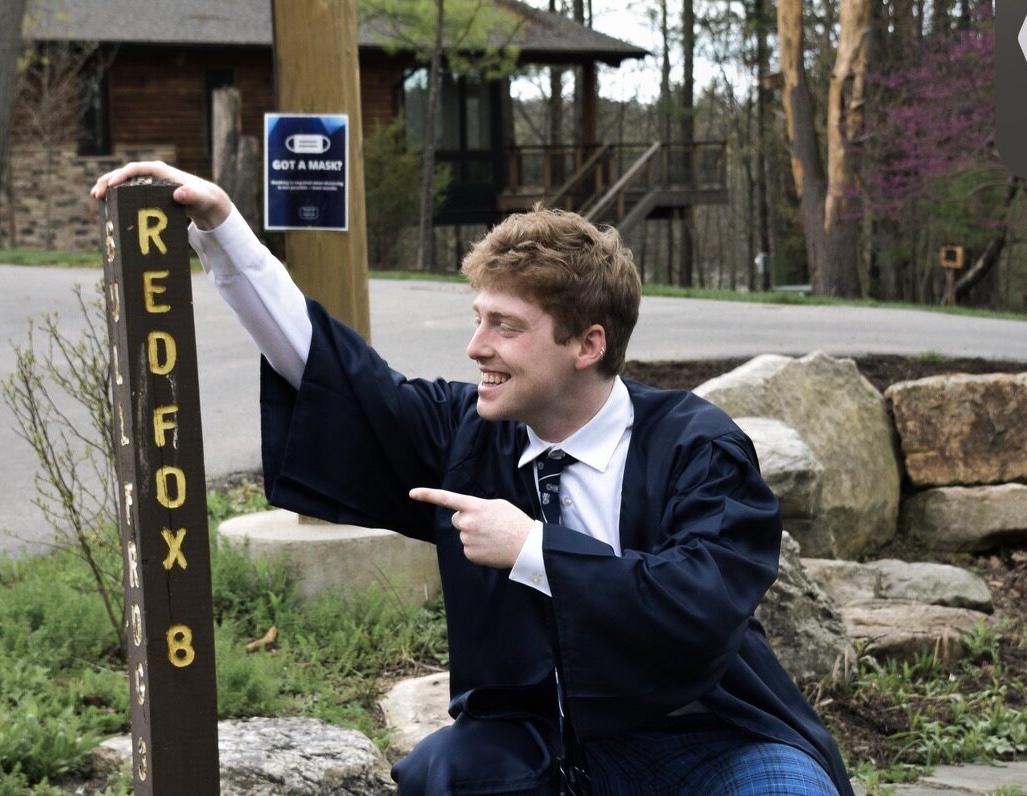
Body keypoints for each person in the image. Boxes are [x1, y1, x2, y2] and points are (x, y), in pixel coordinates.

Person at [92, 161, 854, 796]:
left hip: (708, 736)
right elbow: (331, 372)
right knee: (441, 776)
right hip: (538, 741)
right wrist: (224, 230)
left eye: (506, 327)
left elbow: (699, 599)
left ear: (587, 344)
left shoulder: (697, 446)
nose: (475, 346)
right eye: (478, 317)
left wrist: (533, 547)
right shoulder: (471, 431)